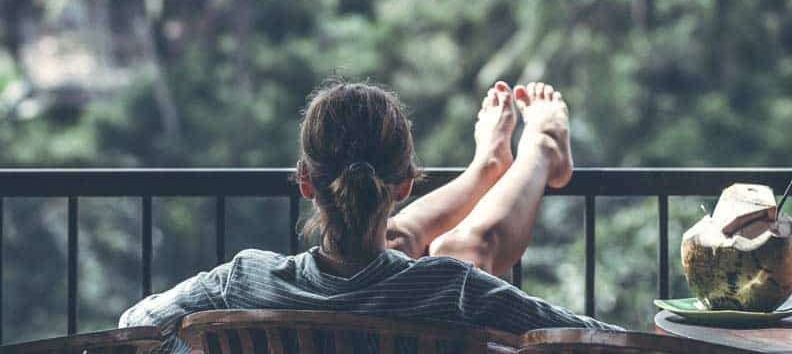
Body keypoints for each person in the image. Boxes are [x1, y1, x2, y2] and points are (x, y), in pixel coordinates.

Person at [119, 80, 622, 353]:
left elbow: (134, 327)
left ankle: (491, 165)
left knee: (421, 250)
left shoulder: (243, 282)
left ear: (305, 181)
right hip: (426, 281)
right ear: (404, 184)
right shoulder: (453, 289)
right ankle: (528, 151)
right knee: (452, 252)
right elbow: (592, 341)